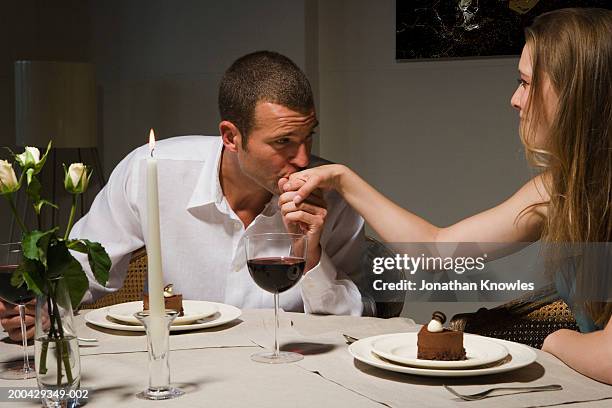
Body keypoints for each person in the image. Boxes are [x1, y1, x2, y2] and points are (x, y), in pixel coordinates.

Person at [279, 8, 612, 384]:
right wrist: (343, 179)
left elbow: (608, 358)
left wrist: (553, 338)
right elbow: (436, 250)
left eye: (526, 83)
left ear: (576, 95)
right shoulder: (557, 190)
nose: (515, 100)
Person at [1, 51, 366, 342]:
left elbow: (356, 322)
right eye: (283, 142)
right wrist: (41, 304)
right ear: (230, 136)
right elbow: (83, 264)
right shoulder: (152, 170)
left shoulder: (332, 195)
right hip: (179, 363)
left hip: (289, 366)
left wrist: (313, 255)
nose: (302, 158)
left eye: (308, 137)